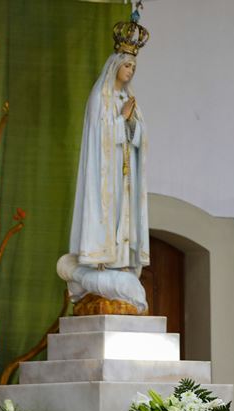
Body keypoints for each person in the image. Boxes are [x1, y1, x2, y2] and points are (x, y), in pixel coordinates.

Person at [61, 17, 150, 314]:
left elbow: (140, 137)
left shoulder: (128, 97)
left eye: (134, 69)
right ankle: (100, 260)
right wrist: (121, 119)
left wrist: (133, 123)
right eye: (127, 66)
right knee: (107, 213)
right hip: (105, 174)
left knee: (124, 217)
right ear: (116, 65)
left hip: (125, 176)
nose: (130, 72)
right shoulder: (100, 97)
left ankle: (120, 261)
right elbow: (99, 138)